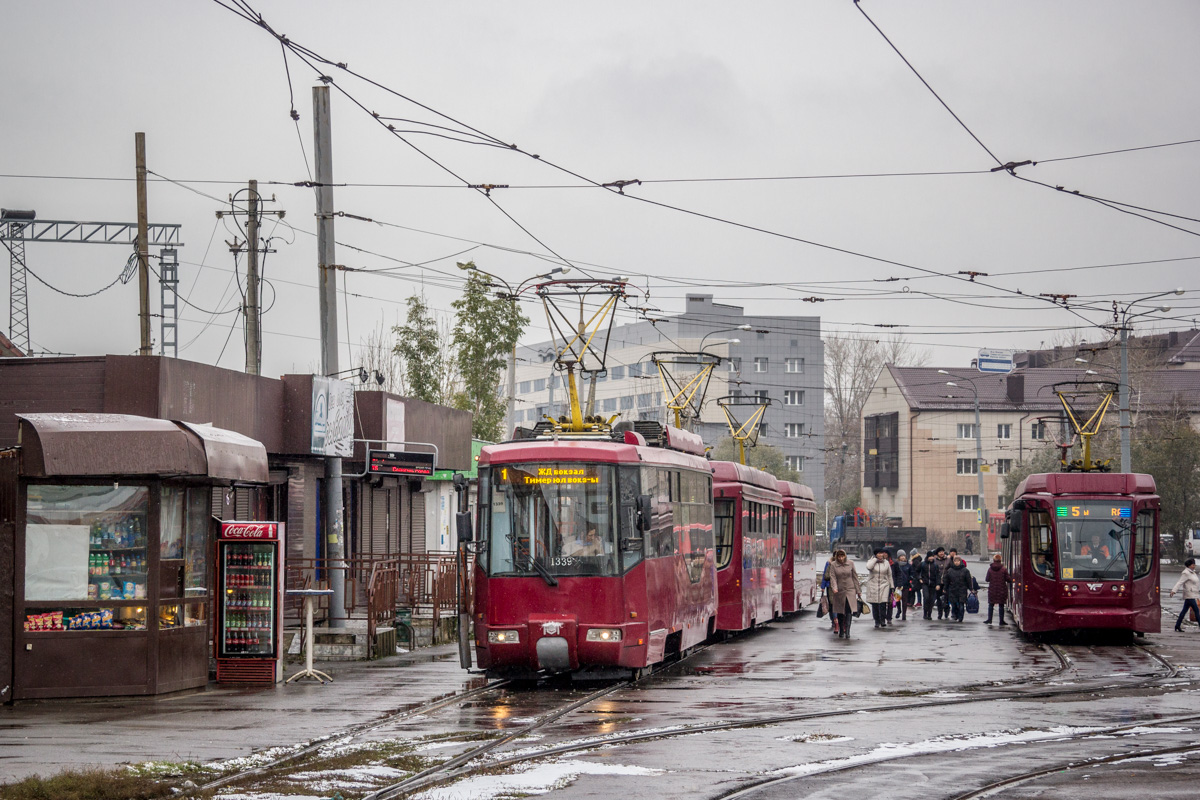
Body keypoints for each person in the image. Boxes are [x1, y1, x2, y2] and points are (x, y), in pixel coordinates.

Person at [828, 548, 862, 639]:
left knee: (848, 610)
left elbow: (855, 577)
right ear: (836, 557)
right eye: (839, 556)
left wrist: (858, 590)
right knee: (840, 611)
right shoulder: (833, 565)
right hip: (839, 591)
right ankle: (841, 630)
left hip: (850, 590)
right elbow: (833, 577)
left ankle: (847, 631)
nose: (841, 558)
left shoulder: (851, 563)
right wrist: (834, 588)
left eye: (842, 556)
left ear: (845, 556)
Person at [865, 548, 894, 629]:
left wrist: (892, 586)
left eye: (882, 553)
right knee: (875, 604)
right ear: (876, 554)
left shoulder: (886, 562)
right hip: (873, 585)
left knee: (883, 603)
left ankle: (882, 620)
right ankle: (877, 621)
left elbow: (889, 575)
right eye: (879, 553)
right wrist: (875, 560)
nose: (881, 555)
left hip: (884, 585)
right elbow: (868, 567)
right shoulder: (871, 561)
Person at [1170, 558, 1200, 632]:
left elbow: (1195, 583)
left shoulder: (1193, 572)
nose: (1194, 566)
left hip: (1193, 594)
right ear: (1189, 565)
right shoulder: (1186, 573)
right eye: (1193, 565)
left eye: (1194, 565)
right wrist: (1174, 590)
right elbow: (1180, 582)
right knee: (1196, 610)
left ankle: (1177, 625)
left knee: (1184, 611)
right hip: (1189, 594)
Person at [942, 554, 974, 622]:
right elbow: (946, 580)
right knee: (954, 604)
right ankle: (955, 615)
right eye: (955, 561)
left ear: (960, 561)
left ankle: (961, 617)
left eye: (958, 561)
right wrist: (945, 588)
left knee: (961, 604)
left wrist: (971, 588)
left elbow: (968, 580)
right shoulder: (950, 570)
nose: (956, 562)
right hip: (953, 589)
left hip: (962, 589)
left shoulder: (965, 570)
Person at [985, 553, 1011, 625]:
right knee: (1001, 605)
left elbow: (987, 579)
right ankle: (1001, 621)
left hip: (992, 589)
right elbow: (1008, 579)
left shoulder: (990, 569)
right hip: (1001, 589)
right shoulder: (1003, 569)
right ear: (1000, 560)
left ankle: (989, 619)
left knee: (991, 604)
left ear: (993, 560)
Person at [928, 548, 951, 619]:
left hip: (946, 582)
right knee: (938, 598)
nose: (941, 553)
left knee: (946, 598)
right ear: (937, 553)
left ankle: (947, 611)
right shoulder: (934, 561)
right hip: (937, 583)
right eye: (940, 552)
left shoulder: (948, 560)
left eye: (942, 552)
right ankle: (940, 613)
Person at [820, 557, 840, 634]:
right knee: (832, 605)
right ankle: (834, 621)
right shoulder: (829, 563)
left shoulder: (844, 564)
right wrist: (823, 586)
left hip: (841, 588)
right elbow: (825, 575)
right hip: (830, 587)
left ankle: (838, 621)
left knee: (838, 605)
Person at [892, 550, 910, 621]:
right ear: (898, 557)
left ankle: (904, 614)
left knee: (905, 600)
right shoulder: (896, 565)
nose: (903, 557)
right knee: (897, 600)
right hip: (898, 586)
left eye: (904, 556)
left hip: (905, 585)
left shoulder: (908, 565)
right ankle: (899, 610)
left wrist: (910, 579)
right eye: (901, 556)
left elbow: (912, 573)